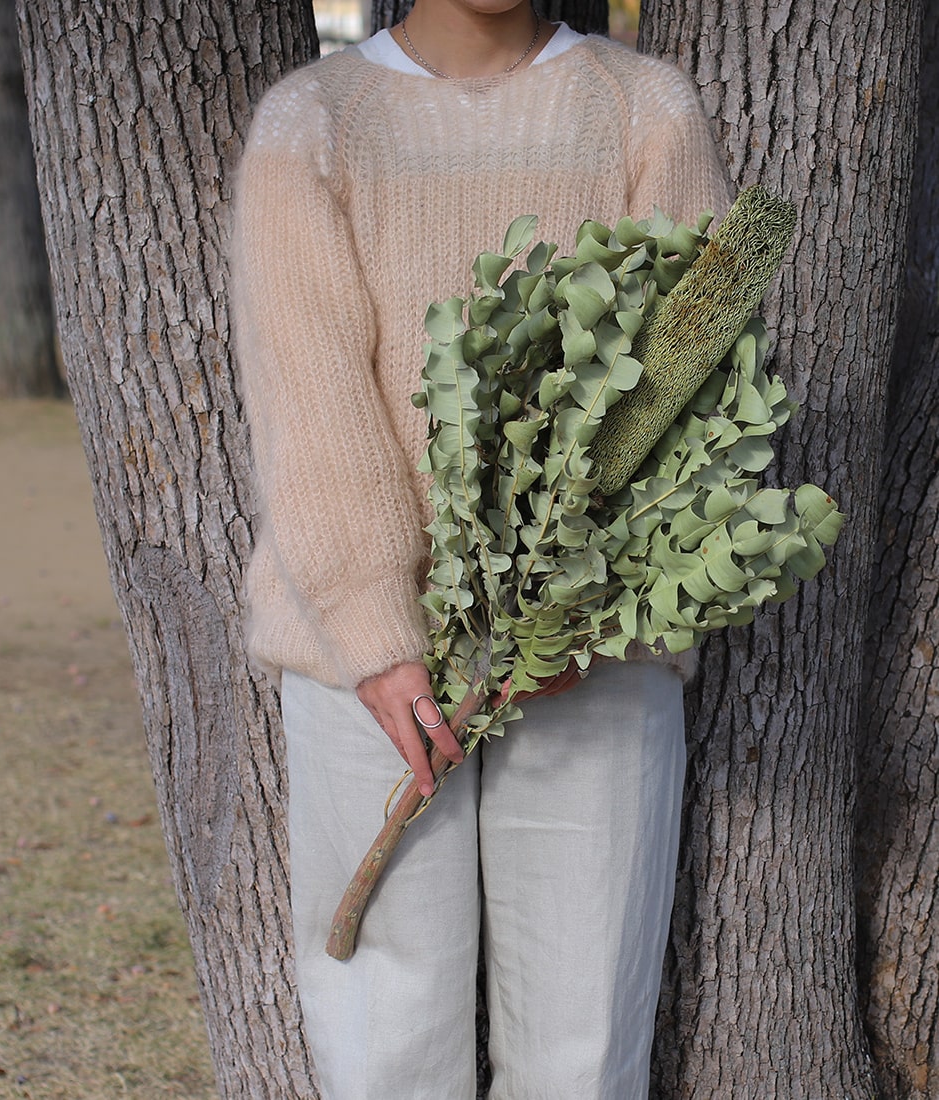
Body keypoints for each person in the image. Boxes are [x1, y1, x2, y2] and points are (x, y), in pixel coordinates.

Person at [231, 3, 731, 1096]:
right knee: (381, 1034)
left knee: (583, 1036)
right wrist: (378, 632)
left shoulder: (643, 110)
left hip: (592, 655)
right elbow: (307, 393)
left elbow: (692, 375)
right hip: (367, 670)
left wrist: (583, 608)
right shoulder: (311, 124)